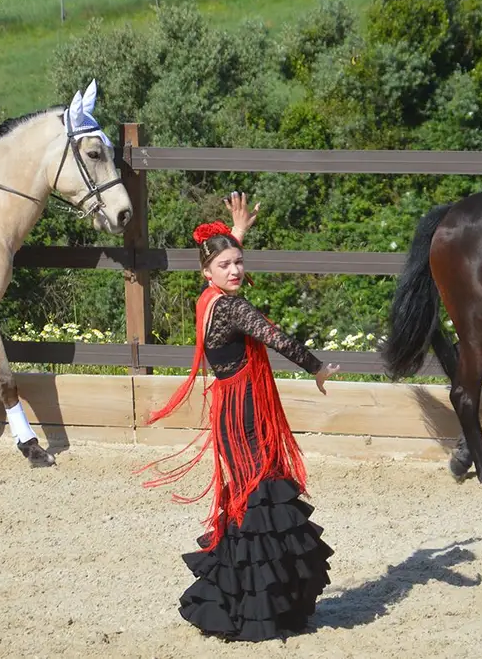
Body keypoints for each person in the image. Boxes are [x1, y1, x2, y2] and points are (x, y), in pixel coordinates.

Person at [137, 192, 340, 642]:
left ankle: (261, 600)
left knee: (252, 496)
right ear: (207, 272)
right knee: (262, 498)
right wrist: (318, 368)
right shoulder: (231, 307)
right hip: (246, 411)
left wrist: (235, 234)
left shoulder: (208, 299)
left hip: (234, 408)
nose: (235, 270)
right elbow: (277, 338)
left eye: (239, 262)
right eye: (226, 264)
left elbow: (223, 268)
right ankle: (257, 609)